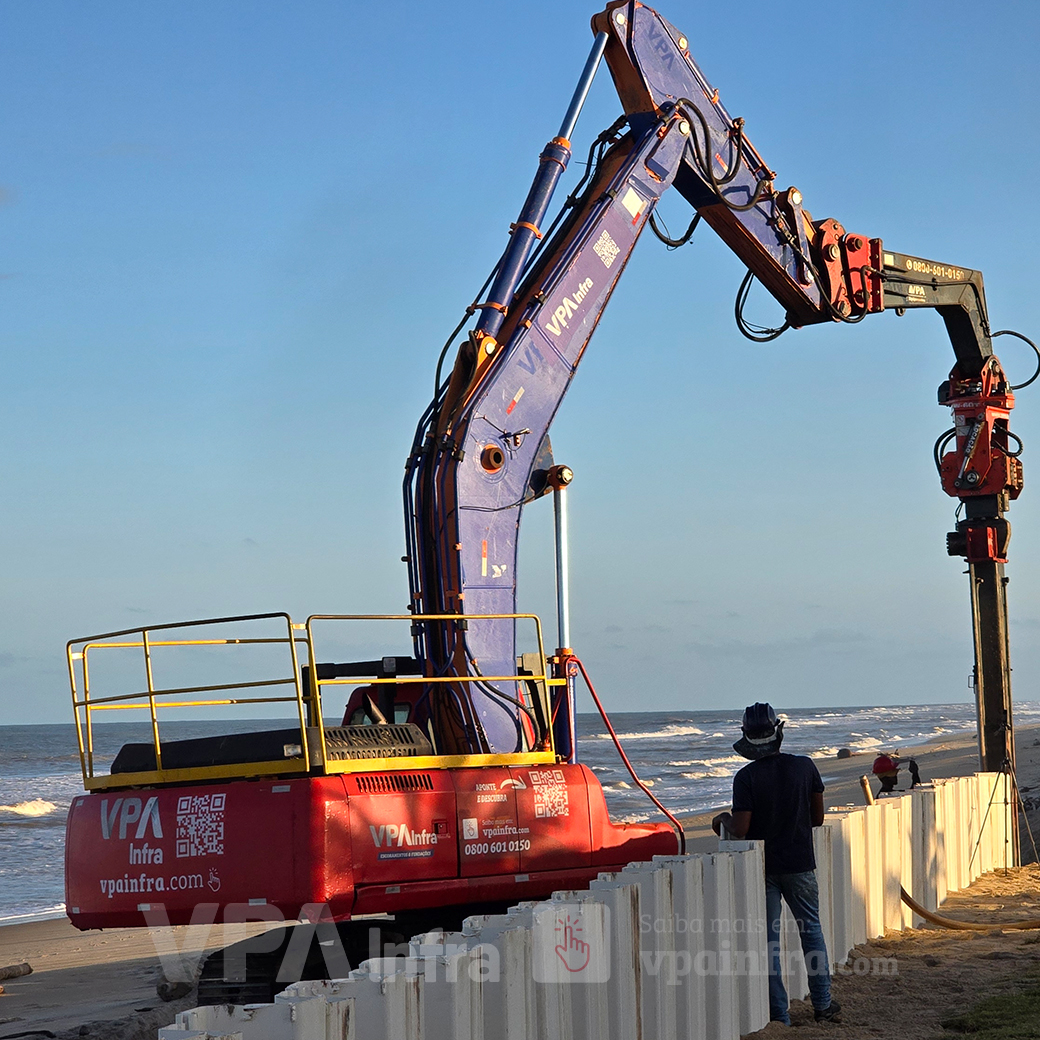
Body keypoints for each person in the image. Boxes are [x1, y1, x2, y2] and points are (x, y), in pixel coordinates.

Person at [712, 703, 841, 1025]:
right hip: (799, 864)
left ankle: (779, 1015)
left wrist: (721, 819)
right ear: (777, 731)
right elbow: (817, 818)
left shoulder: (746, 777)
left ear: (746, 737)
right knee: (811, 932)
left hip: (765, 870)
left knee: (769, 942)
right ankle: (823, 1004)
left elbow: (740, 829)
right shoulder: (805, 767)